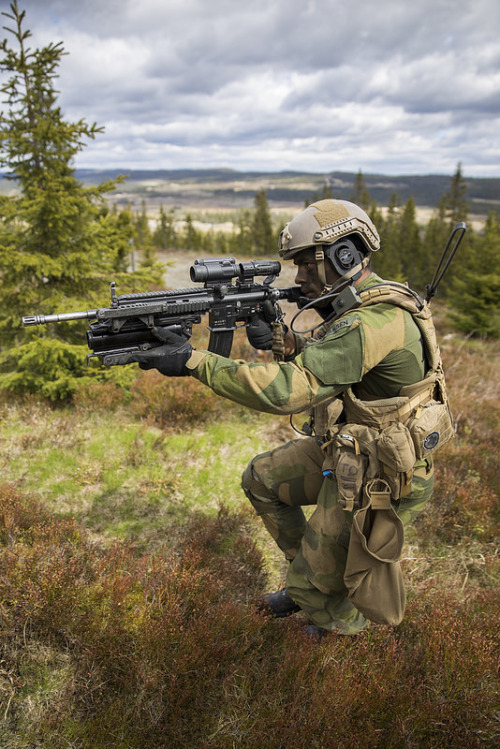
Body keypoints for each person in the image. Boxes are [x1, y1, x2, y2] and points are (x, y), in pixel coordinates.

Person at [129, 199, 452, 641]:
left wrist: (193, 361)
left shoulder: (374, 321)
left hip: (383, 472)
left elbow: (290, 391)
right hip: (352, 448)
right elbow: (340, 364)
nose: (298, 278)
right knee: (262, 480)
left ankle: (332, 621)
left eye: (305, 264)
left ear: (345, 256)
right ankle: (315, 580)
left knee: (327, 575)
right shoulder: (365, 306)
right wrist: (285, 341)